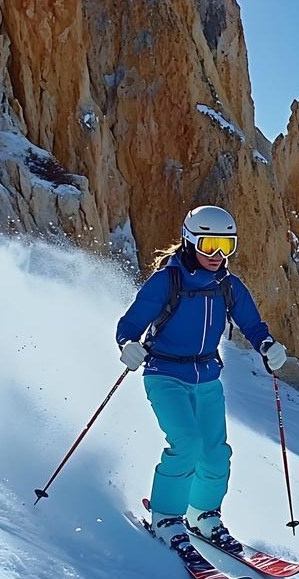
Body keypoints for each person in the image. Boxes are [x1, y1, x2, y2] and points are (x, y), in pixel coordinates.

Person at [115, 206, 288, 553]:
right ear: (190, 241)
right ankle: (166, 516)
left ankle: (202, 514)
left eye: (226, 246)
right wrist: (128, 345)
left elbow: (253, 326)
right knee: (187, 443)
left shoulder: (228, 286)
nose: (218, 255)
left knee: (215, 452)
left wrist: (268, 346)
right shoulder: (167, 281)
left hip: (207, 377)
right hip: (164, 374)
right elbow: (129, 325)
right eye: (209, 245)